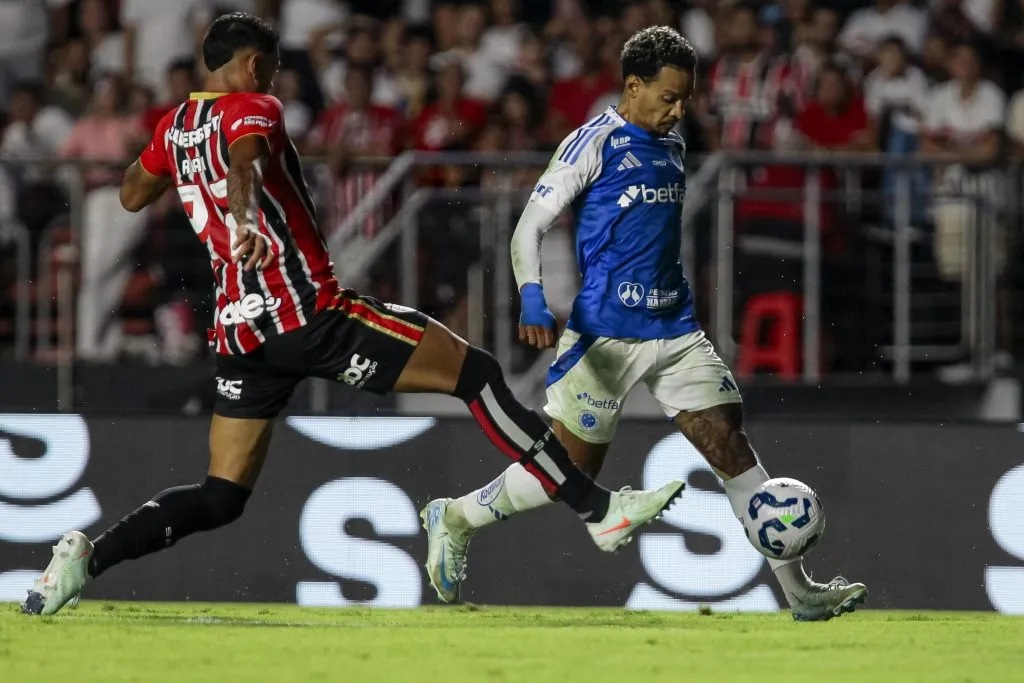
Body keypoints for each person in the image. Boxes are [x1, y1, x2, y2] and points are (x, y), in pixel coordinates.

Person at [20, 12, 684, 617]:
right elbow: (249, 159)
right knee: (475, 372)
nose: (276, 80)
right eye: (273, 68)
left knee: (221, 493)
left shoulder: (175, 126)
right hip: (310, 313)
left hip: (240, 333)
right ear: (254, 65)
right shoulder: (254, 105)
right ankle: (596, 508)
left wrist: (185, 172)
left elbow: (134, 192)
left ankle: (87, 558)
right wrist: (246, 215)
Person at [421, 26, 868, 622]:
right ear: (632, 87)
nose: (679, 110)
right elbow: (530, 225)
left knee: (729, 444)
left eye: (685, 98)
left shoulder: (674, 142)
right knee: (571, 471)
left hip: (676, 330)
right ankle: (454, 516)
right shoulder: (593, 143)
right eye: (669, 97)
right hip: (604, 335)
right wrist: (531, 295)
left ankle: (800, 593)